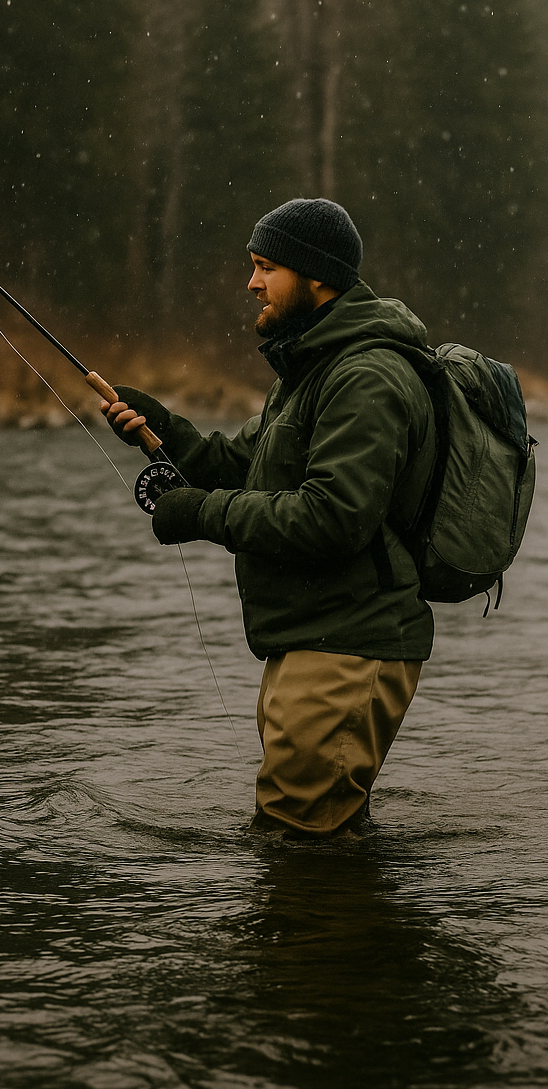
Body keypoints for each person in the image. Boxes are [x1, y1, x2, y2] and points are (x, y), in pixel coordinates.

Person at [102, 197, 437, 838]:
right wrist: (164, 430)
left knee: (300, 846)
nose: (250, 283)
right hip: (315, 640)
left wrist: (201, 513)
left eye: (264, 267)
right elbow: (240, 463)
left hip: (348, 646)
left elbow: (333, 518)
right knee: (312, 842)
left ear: (316, 276)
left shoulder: (364, 376)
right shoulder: (312, 368)